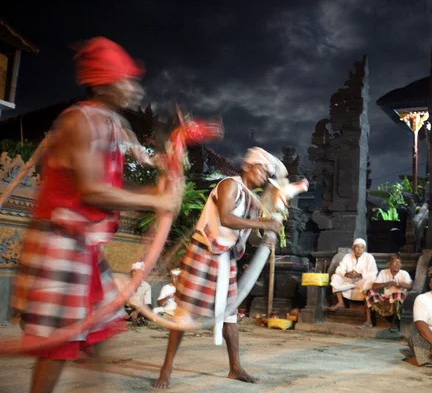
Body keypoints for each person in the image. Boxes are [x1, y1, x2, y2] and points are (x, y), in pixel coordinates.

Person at [10, 37, 179, 393]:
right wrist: (157, 202)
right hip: (59, 243)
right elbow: (92, 190)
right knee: (57, 345)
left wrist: (159, 184)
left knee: (102, 328)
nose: (134, 88)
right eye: (126, 80)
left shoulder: (112, 125)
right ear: (103, 83)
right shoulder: (79, 122)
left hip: (85, 247)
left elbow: (121, 183)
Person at [153, 147, 283, 388]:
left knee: (230, 316)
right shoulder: (229, 185)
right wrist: (263, 221)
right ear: (247, 166)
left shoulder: (252, 201)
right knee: (184, 313)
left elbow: (249, 236)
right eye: (262, 169)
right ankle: (166, 368)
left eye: (267, 173)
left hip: (227, 260)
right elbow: (226, 218)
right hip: (203, 253)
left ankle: (235, 368)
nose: (264, 176)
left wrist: (269, 234)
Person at [328, 238, 378, 327]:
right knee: (335, 277)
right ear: (353, 248)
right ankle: (340, 302)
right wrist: (346, 273)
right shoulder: (347, 256)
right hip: (349, 280)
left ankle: (368, 319)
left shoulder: (369, 257)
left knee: (371, 280)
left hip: (362, 281)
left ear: (364, 249)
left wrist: (360, 275)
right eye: (357, 247)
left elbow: (373, 272)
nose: (359, 249)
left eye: (362, 247)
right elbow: (339, 269)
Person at [365, 254, 412, 332]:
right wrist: (388, 283)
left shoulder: (404, 273)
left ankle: (395, 323)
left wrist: (401, 284)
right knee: (369, 292)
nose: (397, 265)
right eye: (395, 263)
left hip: (398, 299)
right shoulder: (383, 272)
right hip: (386, 297)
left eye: (399, 263)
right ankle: (370, 321)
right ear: (389, 264)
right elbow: (374, 287)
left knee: (398, 295)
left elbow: (410, 287)